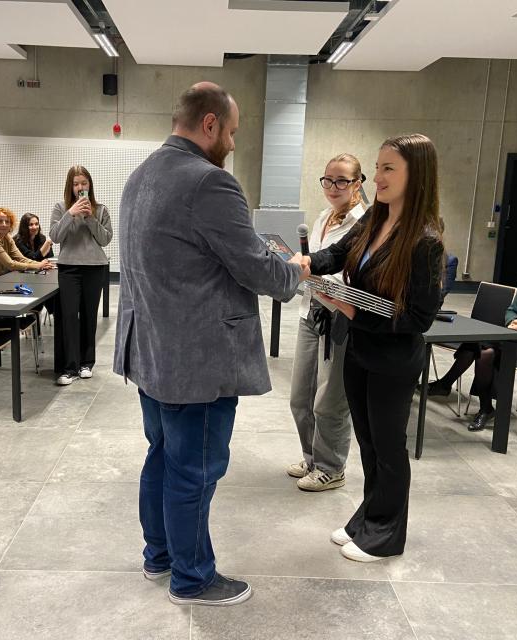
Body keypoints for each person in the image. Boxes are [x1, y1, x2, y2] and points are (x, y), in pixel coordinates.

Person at [114, 82, 309, 606]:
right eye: (233, 132)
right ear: (210, 124)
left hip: (152, 353)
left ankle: (160, 555)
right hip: (195, 361)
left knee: (163, 457)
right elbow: (259, 271)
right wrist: (293, 269)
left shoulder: (141, 175)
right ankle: (193, 578)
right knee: (194, 471)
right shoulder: (209, 182)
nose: (233, 142)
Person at [308, 134, 444, 562]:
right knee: (368, 444)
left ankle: (386, 535)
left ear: (415, 175)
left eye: (388, 169)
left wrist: (351, 310)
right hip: (360, 350)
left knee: (388, 448)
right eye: (378, 167)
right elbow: (336, 254)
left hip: (393, 360)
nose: (378, 177)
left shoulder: (425, 240)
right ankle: (369, 517)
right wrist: (305, 263)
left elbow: (417, 319)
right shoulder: (374, 218)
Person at [287, 154, 366, 492]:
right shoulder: (322, 217)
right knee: (300, 398)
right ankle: (312, 459)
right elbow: (318, 261)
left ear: (357, 183)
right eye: (328, 180)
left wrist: (316, 277)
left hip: (339, 317)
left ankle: (331, 467)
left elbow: (352, 275)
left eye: (342, 180)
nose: (333, 187)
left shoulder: (364, 224)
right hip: (311, 313)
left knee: (330, 401)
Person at [425, 280, 517, 431]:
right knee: (480, 348)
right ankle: (485, 408)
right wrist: (512, 321)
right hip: (514, 334)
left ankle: (446, 385)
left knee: (481, 348)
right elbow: (512, 310)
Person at [50, 165, 112, 386]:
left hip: (94, 267)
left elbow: (105, 239)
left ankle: (87, 363)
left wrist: (90, 218)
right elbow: (55, 236)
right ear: (70, 186)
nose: (80, 187)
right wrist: (71, 214)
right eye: (76, 184)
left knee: (89, 316)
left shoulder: (101, 209)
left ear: (90, 185)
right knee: (69, 317)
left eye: (84, 183)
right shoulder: (60, 208)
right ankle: (70, 368)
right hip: (69, 268)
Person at [0, 207, 53, 282]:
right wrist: (38, 265)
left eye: (7, 222)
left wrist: (40, 264)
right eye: (0, 221)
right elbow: (10, 264)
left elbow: (21, 258)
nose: (4, 224)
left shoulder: (7, 237)